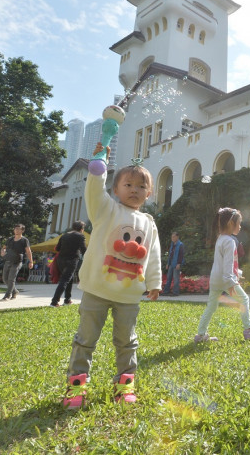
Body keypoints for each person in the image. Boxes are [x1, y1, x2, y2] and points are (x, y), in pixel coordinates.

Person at [62, 144, 163, 409]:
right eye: (128, 184)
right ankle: (76, 387)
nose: (134, 190)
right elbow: (94, 190)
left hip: (128, 295)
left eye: (141, 186)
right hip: (97, 289)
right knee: (85, 340)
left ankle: (125, 385)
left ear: (149, 193)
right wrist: (98, 168)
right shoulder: (105, 209)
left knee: (127, 342)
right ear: (115, 189)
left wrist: (154, 283)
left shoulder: (150, 223)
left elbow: (153, 254)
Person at [195, 208, 250, 343]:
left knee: (211, 306)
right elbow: (227, 267)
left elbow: (224, 264)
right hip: (225, 280)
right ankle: (249, 330)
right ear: (230, 224)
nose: (240, 226)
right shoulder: (230, 241)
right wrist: (232, 281)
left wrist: (237, 273)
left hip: (215, 280)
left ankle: (201, 335)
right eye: (238, 223)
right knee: (244, 299)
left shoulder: (221, 239)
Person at [50, 221, 87, 307]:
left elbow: (58, 248)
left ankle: (67, 300)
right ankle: (54, 301)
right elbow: (84, 250)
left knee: (68, 279)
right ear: (81, 229)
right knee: (65, 280)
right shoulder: (80, 236)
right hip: (72, 260)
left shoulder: (64, 235)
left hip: (61, 260)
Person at [0, 224, 33, 301]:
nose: (17, 230)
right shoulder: (10, 239)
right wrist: (2, 252)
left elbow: (28, 251)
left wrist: (31, 261)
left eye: (19, 229)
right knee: (5, 279)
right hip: (8, 261)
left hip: (17, 262)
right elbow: (4, 248)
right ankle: (15, 291)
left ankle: (7, 296)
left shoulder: (24, 240)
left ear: (22, 230)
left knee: (11, 279)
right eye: (15, 229)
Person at [161, 232, 185, 297]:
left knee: (176, 278)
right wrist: (168, 263)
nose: (172, 238)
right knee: (168, 278)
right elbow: (170, 255)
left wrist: (179, 263)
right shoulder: (172, 245)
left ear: (177, 237)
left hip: (176, 264)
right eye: (172, 237)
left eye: (174, 237)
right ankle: (166, 292)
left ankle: (175, 292)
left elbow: (181, 255)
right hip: (171, 263)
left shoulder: (180, 245)